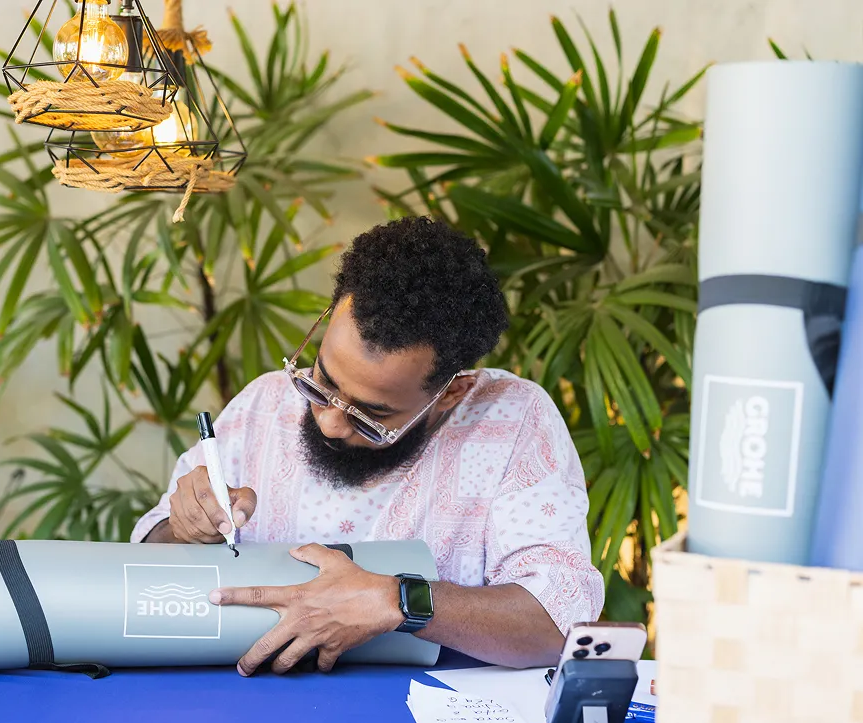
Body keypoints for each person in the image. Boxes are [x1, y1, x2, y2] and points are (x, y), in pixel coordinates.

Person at [132, 216, 603, 675]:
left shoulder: (512, 419)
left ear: (451, 393)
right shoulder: (263, 403)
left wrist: (400, 601)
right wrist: (184, 527)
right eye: (320, 383)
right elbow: (149, 561)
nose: (333, 423)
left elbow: (559, 626)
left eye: (372, 415)